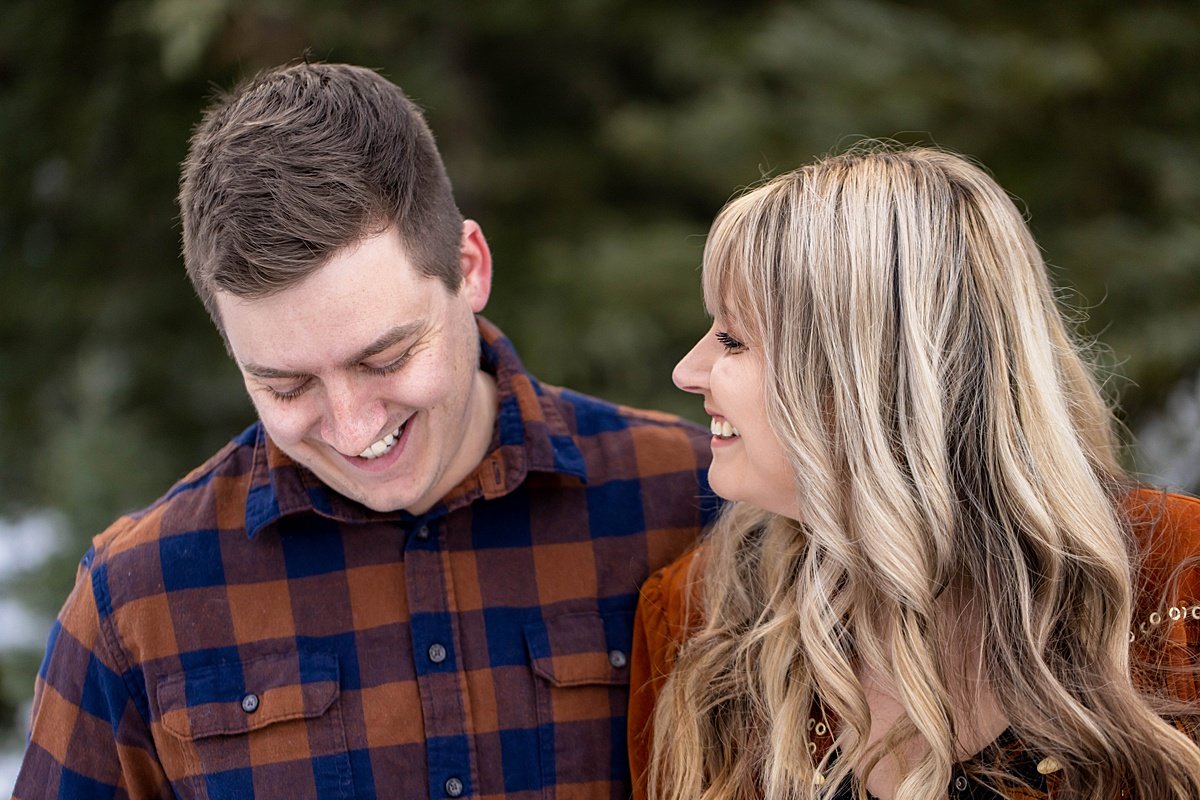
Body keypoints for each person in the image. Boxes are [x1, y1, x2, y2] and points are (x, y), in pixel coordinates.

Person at [14, 62, 718, 800]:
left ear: (469, 268)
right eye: (286, 386)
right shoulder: (135, 600)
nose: (353, 428)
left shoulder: (694, 503)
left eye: (385, 358)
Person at [628, 145, 1200, 800]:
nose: (687, 372)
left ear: (864, 379)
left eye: (732, 339)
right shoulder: (699, 621)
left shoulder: (1177, 581)